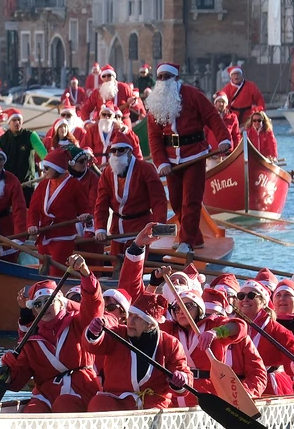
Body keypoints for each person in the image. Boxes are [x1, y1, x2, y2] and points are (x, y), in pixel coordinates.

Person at [0, 254, 103, 413]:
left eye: (49, 300)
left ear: (61, 302)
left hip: (82, 388)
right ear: (34, 308)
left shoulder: (78, 322)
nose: (44, 306)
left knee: (64, 404)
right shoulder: (31, 339)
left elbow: (93, 305)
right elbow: (18, 381)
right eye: (38, 304)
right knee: (31, 414)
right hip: (46, 394)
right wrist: (9, 367)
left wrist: (85, 272)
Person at [147, 62, 231, 254]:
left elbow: (212, 117)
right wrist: (160, 162)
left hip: (195, 154)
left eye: (167, 76)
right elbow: (153, 137)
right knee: (176, 202)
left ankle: (187, 243)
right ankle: (196, 236)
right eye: (160, 77)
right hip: (170, 161)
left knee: (191, 200)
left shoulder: (192, 95)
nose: (163, 80)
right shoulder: (155, 103)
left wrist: (224, 139)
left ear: (175, 78)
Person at [83, 291, 192, 411]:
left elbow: (182, 374)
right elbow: (93, 345)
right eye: (130, 315)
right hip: (119, 401)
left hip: (154, 406)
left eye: (138, 318)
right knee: (98, 403)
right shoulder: (118, 333)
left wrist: (181, 379)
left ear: (151, 325)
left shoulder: (170, 344)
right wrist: (94, 332)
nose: (130, 321)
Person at [162, 284, 246, 406]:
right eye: (177, 308)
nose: (181, 312)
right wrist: (152, 286)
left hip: (208, 390)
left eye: (188, 306)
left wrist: (216, 333)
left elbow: (240, 327)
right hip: (175, 390)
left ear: (199, 309)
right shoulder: (169, 328)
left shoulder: (213, 323)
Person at [94, 131, 167, 263]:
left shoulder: (146, 168)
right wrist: (100, 228)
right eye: (113, 150)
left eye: (120, 150)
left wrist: (160, 225)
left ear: (129, 151)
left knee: (136, 265)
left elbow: (159, 200)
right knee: (116, 264)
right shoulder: (107, 173)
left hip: (140, 227)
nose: (116, 154)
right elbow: (101, 203)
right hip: (117, 229)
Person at [235, 279, 294, 395]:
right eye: (241, 296)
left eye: (251, 295)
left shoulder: (278, 330)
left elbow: (292, 352)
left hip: (270, 386)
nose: (245, 299)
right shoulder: (231, 325)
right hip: (238, 383)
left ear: (264, 302)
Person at [27, 148, 91, 276]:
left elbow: (86, 208)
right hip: (44, 234)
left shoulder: (74, 185)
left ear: (58, 169)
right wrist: (32, 225)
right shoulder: (43, 184)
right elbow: (33, 208)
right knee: (43, 272)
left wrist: (86, 216)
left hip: (63, 236)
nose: (44, 171)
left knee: (56, 272)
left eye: (47, 168)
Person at [0, 109, 47, 207]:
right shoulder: (1, 140)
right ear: (9, 123)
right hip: (8, 185)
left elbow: (44, 155)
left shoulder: (31, 136)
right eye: (14, 120)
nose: (17, 123)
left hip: (28, 183)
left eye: (19, 120)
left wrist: (49, 167)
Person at [81, 102, 116, 167]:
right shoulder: (92, 129)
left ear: (113, 117)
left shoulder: (117, 130)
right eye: (104, 114)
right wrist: (88, 152)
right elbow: (85, 145)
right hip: (95, 164)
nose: (106, 117)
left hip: (112, 165)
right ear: (100, 115)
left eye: (109, 115)